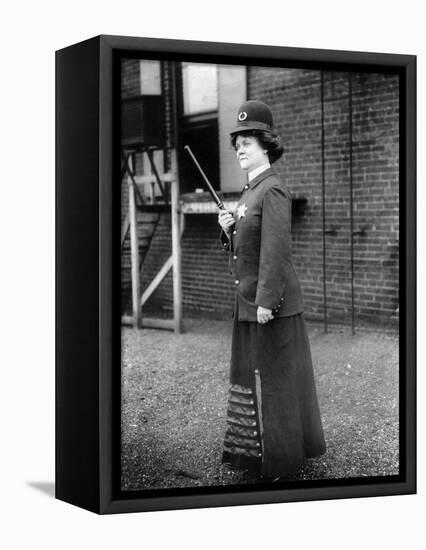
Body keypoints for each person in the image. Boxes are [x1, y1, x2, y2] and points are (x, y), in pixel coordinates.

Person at [218, 100, 326, 480]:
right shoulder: (249, 192)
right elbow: (247, 249)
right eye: (237, 143)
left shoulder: (273, 190)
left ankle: (281, 464)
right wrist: (228, 229)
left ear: (265, 145)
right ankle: (254, 456)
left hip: (270, 307)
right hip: (248, 304)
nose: (240, 149)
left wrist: (267, 301)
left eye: (247, 141)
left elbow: (276, 251)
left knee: (277, 385)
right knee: (252, 379)